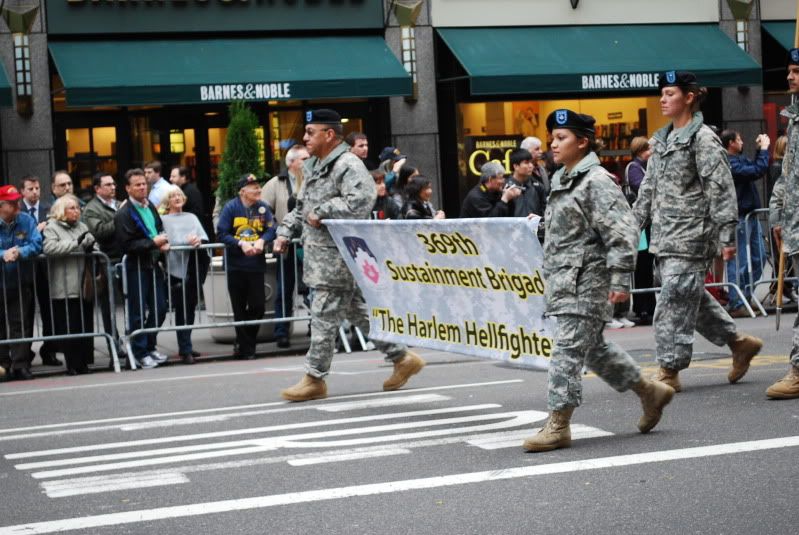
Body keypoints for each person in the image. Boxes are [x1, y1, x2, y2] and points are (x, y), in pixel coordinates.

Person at [523, 109, 673, 453]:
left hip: (589, 282)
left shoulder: (596, 181)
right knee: (594, 350)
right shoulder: (564, 178)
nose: (553, 144)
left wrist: (620, 279)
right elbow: (571, 230)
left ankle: (558, 423)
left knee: (566, 351)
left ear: (583, 141)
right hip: (565, 282)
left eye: (561, 138)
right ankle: (650, 392)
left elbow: (622, 232)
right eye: (552, 138)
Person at [275, 108, 425, 402]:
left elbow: (361, 201)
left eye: (310, 132)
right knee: (358, 312)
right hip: (322, 256)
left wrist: (323, 211)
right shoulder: (313, 167)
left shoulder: (347, 164)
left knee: (322, 315)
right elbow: (302, 208)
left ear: (329, 134)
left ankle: (314, 378)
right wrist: (284, 232)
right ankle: (402, 357)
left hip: (338, 256)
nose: (304, 138)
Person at [633, 71, 762, 393]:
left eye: (670, 93)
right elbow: (648, 189)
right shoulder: (660, 140)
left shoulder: (703, 139)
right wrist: (631, 226)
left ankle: (669, 368)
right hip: (665, 237)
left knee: (672, 301)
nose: (663, 99)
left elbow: (720, 189)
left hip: (692, 236)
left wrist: (726, 237)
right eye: (661, 93)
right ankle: (738, 343)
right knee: (690, 296)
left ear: (689, 97)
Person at [765, 48, 799, 399]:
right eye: (789, 70)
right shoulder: (794, 118)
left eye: (796, 70)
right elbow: (787, 175)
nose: (790, 76)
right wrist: (778, 216)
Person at [217, 174, 276, 360]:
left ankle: (245, 342)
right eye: (254, 187)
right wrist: (240, 244)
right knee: (239, 308)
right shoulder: (230, 208)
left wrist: (262, 240)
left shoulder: (262, 207)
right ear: (243, 191)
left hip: (256, 265)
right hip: (236, 266)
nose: (258, 190)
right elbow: (221, 233)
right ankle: (247, 348)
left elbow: (273, 228)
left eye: (259, 187)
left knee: (258, 306)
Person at [116, 168, 170, 369]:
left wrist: (162, 240)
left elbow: (159, 227)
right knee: (137, 312)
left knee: (160, 308)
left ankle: (148, 344)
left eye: (143, 183)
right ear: (128, 188)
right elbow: (127, 245)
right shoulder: (124, 213)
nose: (142, 187)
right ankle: (139, 352)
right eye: (137, 184)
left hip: (153, 264)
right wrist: (153, 242)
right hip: (135, 267)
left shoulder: (150, 207)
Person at [42, 195, 97, 376]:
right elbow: (50, 248)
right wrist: (76, 244)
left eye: (77, 208)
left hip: (83, 285)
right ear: (61, 211)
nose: (76, 211)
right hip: (64, 287)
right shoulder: (52, 227)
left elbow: (94, 244)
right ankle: (72, 364)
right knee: (69, 327)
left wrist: (92, 248)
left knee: (84, 325)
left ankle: (84, 362)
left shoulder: (82, 226)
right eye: (71, 208)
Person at [262, 145, 308, 348]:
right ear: (291, 163)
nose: (308, 161)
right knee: (284, 288)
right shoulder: (275, 183)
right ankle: (282, 331)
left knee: (311, 289)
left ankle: (315, 326)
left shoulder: (312, 180)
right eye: (304, 159)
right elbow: (263, 211)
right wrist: (277, 231)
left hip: (308, 243)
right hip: (286, 244)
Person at [720, 129, 769, 317]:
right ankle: (736, 301)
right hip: (739, 216)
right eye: (739, 139)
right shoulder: (728, 163)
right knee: (738, 261)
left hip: (751, 214)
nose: (742, 142)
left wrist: (759, 151)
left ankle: (745, 295)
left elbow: (757, 168)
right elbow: (756, 170)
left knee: (760, 258)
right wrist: (764, 149)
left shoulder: (739, 160)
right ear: (731, 143)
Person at [160, 185, 209, 364]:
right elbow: (163, 239)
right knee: (179, 308)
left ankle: (186, 345)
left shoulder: (192, 217)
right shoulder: (163, 219)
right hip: (173, 269)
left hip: (192, 266)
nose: (177, 198)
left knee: (189, 308)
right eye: (173, 196)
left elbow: (203, 237)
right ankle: (184, 348)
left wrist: (198, 240)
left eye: (179, 195)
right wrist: (180, 242)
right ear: (168, 201)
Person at [0, 184, 42, 381]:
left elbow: (36, 243)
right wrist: (3, 254)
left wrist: (19, 252)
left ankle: (20, 364)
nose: (17, 205)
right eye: (11, 203)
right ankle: (2, 364)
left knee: (21, 324)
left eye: (17, 201)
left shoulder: (26, 220)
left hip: (20, 280)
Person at [19, 175, 61, 367]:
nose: (35, 192)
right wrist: (36, 229)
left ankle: (49, 350)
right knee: (25, 312)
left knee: (49, 311)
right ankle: (24, 352)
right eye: (30, 189)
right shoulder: (17, 211)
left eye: (37, 188)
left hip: (45, 267)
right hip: (25, 268)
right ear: (23, 192)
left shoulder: (48, 209)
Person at [83, 172, 124, 364]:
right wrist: (120, 216)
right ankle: (114, 346)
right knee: (109, 308)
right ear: (97, 189)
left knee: (133, 305)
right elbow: (98, 232)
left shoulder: (118, 204)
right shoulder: (92, 209)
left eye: (114, 184)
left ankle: (132, 343)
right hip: (107, 261)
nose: (113, 187)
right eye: (108, 185)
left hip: (125, 259)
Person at [625, 137, 656, 326]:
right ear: (640, 150)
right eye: (648, 148)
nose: (651, 151)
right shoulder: (634, 167)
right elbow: (643, 188)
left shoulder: (645, 167)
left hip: (648, 223)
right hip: (640, 224)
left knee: (647, 266)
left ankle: (649, 306)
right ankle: (642, 307)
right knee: (642, 265)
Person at [169, 165, 214, 240]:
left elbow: (196, 212)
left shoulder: (189, 191)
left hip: (194, 235)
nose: (170, 179)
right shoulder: (185, 190)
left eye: (173, 176)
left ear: (183, 177)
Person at [507, 148, 546, 218]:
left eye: (531, 162)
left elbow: (545, 211)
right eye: (526, 163)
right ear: (515, 166)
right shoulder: (505, 187)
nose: (531, 166)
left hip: (534, 228)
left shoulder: (538, 187)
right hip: (512, 228)